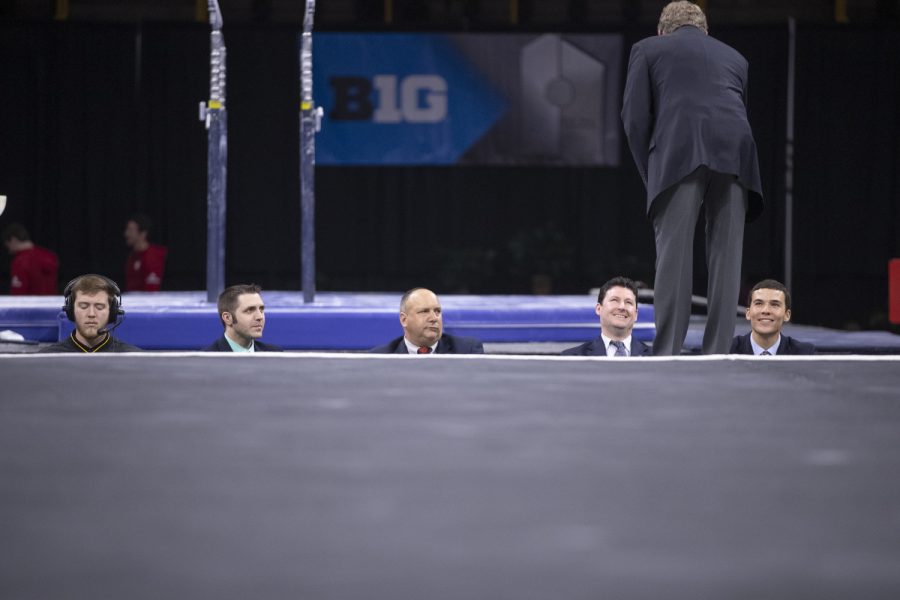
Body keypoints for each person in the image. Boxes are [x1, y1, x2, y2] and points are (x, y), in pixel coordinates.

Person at [621, 1, 763, 356]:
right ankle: (717, 350)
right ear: (705, 31)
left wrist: (651, 172)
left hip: (680, 150)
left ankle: (668, 349)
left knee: (674, 254)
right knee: (727, 256)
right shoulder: (735, 57)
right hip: (737, 153)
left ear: (662, 30)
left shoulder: (647, 49)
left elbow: (634, 119)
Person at [40, 274, 140, 353]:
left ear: (112, 311)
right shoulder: (46, 359)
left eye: (99, 307)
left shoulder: (133, 358)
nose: (91, 314)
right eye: (83, 306)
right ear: (71, 310)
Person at [369, 288, 484, 355]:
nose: (434, 318)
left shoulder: (468, 351)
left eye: (437, 311)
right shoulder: (380, 357)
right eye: (424, 311)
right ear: (404, 320)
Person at [562, 276, 652, 357]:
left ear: (636, 314)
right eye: (614, 300)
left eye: (628, 302)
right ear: (598, 309)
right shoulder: (572, 358)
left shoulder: (656, 357)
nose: (622, 307)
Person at [730, 279, 815, 355]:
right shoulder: (727, 350)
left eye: (775, 304)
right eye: (759, 303)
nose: (766, 310)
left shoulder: (804, 354)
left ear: (787, 315)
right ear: (748, 313)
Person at [203, 284, 283, 352]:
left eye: (261, 310)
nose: (260, 317)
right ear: (227, 318)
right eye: (249, 310)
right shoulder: (205, 360)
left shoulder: (275, 354)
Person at [1, 222, 59, 295]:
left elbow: (18, 294)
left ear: (13, 240)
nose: (9, 250)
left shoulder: (20, 261)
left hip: (30, 305)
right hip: (51, 304)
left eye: (8, 245)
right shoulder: (50, 256)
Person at [123, 213, 167, 292]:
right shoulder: (132, 256)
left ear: (143, 233)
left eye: (131, 230)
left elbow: (152, 292)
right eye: (127, 230)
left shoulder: (154, 256)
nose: (126, 234)